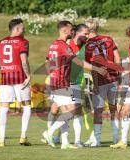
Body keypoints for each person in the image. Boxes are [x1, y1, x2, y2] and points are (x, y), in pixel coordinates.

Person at [42, 20, 107, 149]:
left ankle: (65, 142)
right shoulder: (65, 45)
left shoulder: (54, 44)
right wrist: (97, 69)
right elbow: (78, 62)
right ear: (68, 31)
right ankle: (49, 132)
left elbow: (48, 61)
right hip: (63, 82)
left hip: (63, 82)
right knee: (72, 111)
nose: (88, 36)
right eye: (85, 33)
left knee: (68, 111)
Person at [0, 18, 32, 147]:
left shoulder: (0, 42)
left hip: (5, 79)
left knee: (3, 108)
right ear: (17, 29)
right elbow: (24, 60)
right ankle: (23, 136)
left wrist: (5, 67)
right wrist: (28, 75)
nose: (24, 29)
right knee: (27, 106)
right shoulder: (23, 42)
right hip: (20, 78)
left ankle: (2, 140)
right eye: (22, 27)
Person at [84, 18, 122, 147]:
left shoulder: (88, 45)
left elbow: (93, 65)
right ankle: (116, 138)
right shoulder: (108, 39)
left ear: (88, 30)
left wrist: (94, 83)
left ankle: (97, 140)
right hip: (113, 78)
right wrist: (119, 73)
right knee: (113, 109)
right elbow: (117, 57)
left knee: (98, 111)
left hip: (100, 81)